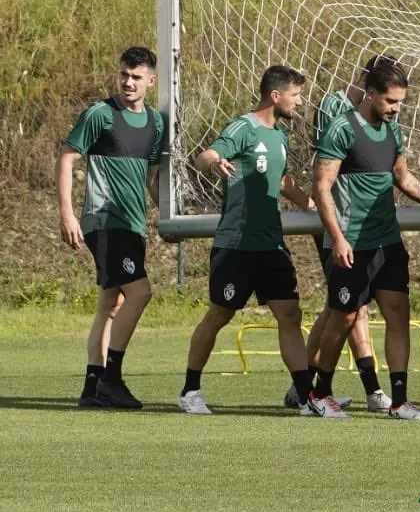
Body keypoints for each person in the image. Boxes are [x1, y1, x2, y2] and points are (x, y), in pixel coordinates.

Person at [179, 66, 318, 416]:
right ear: (276, 96)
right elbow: (206, 154)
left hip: (271, 244)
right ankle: (190, 390)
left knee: (289, 313)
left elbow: (282, 179)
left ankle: (306, 398)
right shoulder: (243, 127)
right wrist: (214, 163)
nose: (299, 102)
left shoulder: (280, 136)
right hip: (237, 245)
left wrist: (308, 202)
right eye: (296, 95)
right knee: (219, 315)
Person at [308, 59, 420, 420]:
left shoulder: (393, 132)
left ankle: (399, 402)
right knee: (344, 318)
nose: (397, 110)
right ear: (370, 93)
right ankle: (319, 394)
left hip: (387, 241)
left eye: (400, 102)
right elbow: (321, 188)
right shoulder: (342, 129)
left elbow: (403, 177)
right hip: (351, 243)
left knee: (399, 313)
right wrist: (337, 239)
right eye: (391, 102)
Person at [58, 46, 166, 409]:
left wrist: (165, 216)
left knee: (111, 303)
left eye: (136, 77)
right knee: (140, 292)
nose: (128, 82)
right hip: (104, 220)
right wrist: (67, 213)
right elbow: (68, 156)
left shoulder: (155, 122)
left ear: (151, 81)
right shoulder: (100, 115)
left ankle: (92, 387)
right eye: (124, 74)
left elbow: (150, 179)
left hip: (132, 224)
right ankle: (112, 379)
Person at [295, 53, 397, 413]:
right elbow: (338, 158)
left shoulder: (383, 120)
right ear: (370, 86)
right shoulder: (335, 107)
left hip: (364, 228)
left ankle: (303, 387)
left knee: (344, 308)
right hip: (341, 222)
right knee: (348, 308)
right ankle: (361, 391)